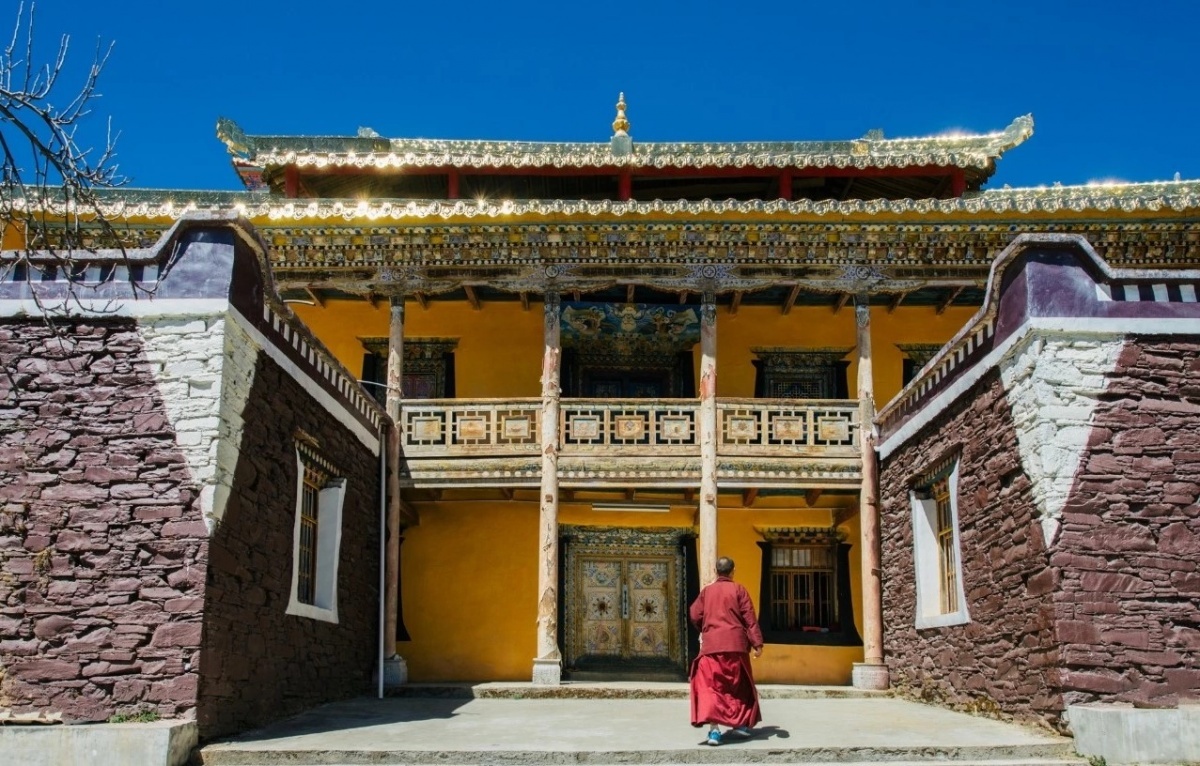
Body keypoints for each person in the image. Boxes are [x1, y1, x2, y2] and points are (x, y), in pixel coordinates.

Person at [688, 556, 764, 746]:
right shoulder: (739, 590)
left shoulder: (707, 592)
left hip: (712, 647)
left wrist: (707, 629)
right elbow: (749, 618)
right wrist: (757, 644)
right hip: (735, 646)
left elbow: (694, 614)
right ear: (733, 570)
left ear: (716, 571)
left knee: (712, 688)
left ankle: (714, 732)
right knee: (738, 686)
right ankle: (739, 724)